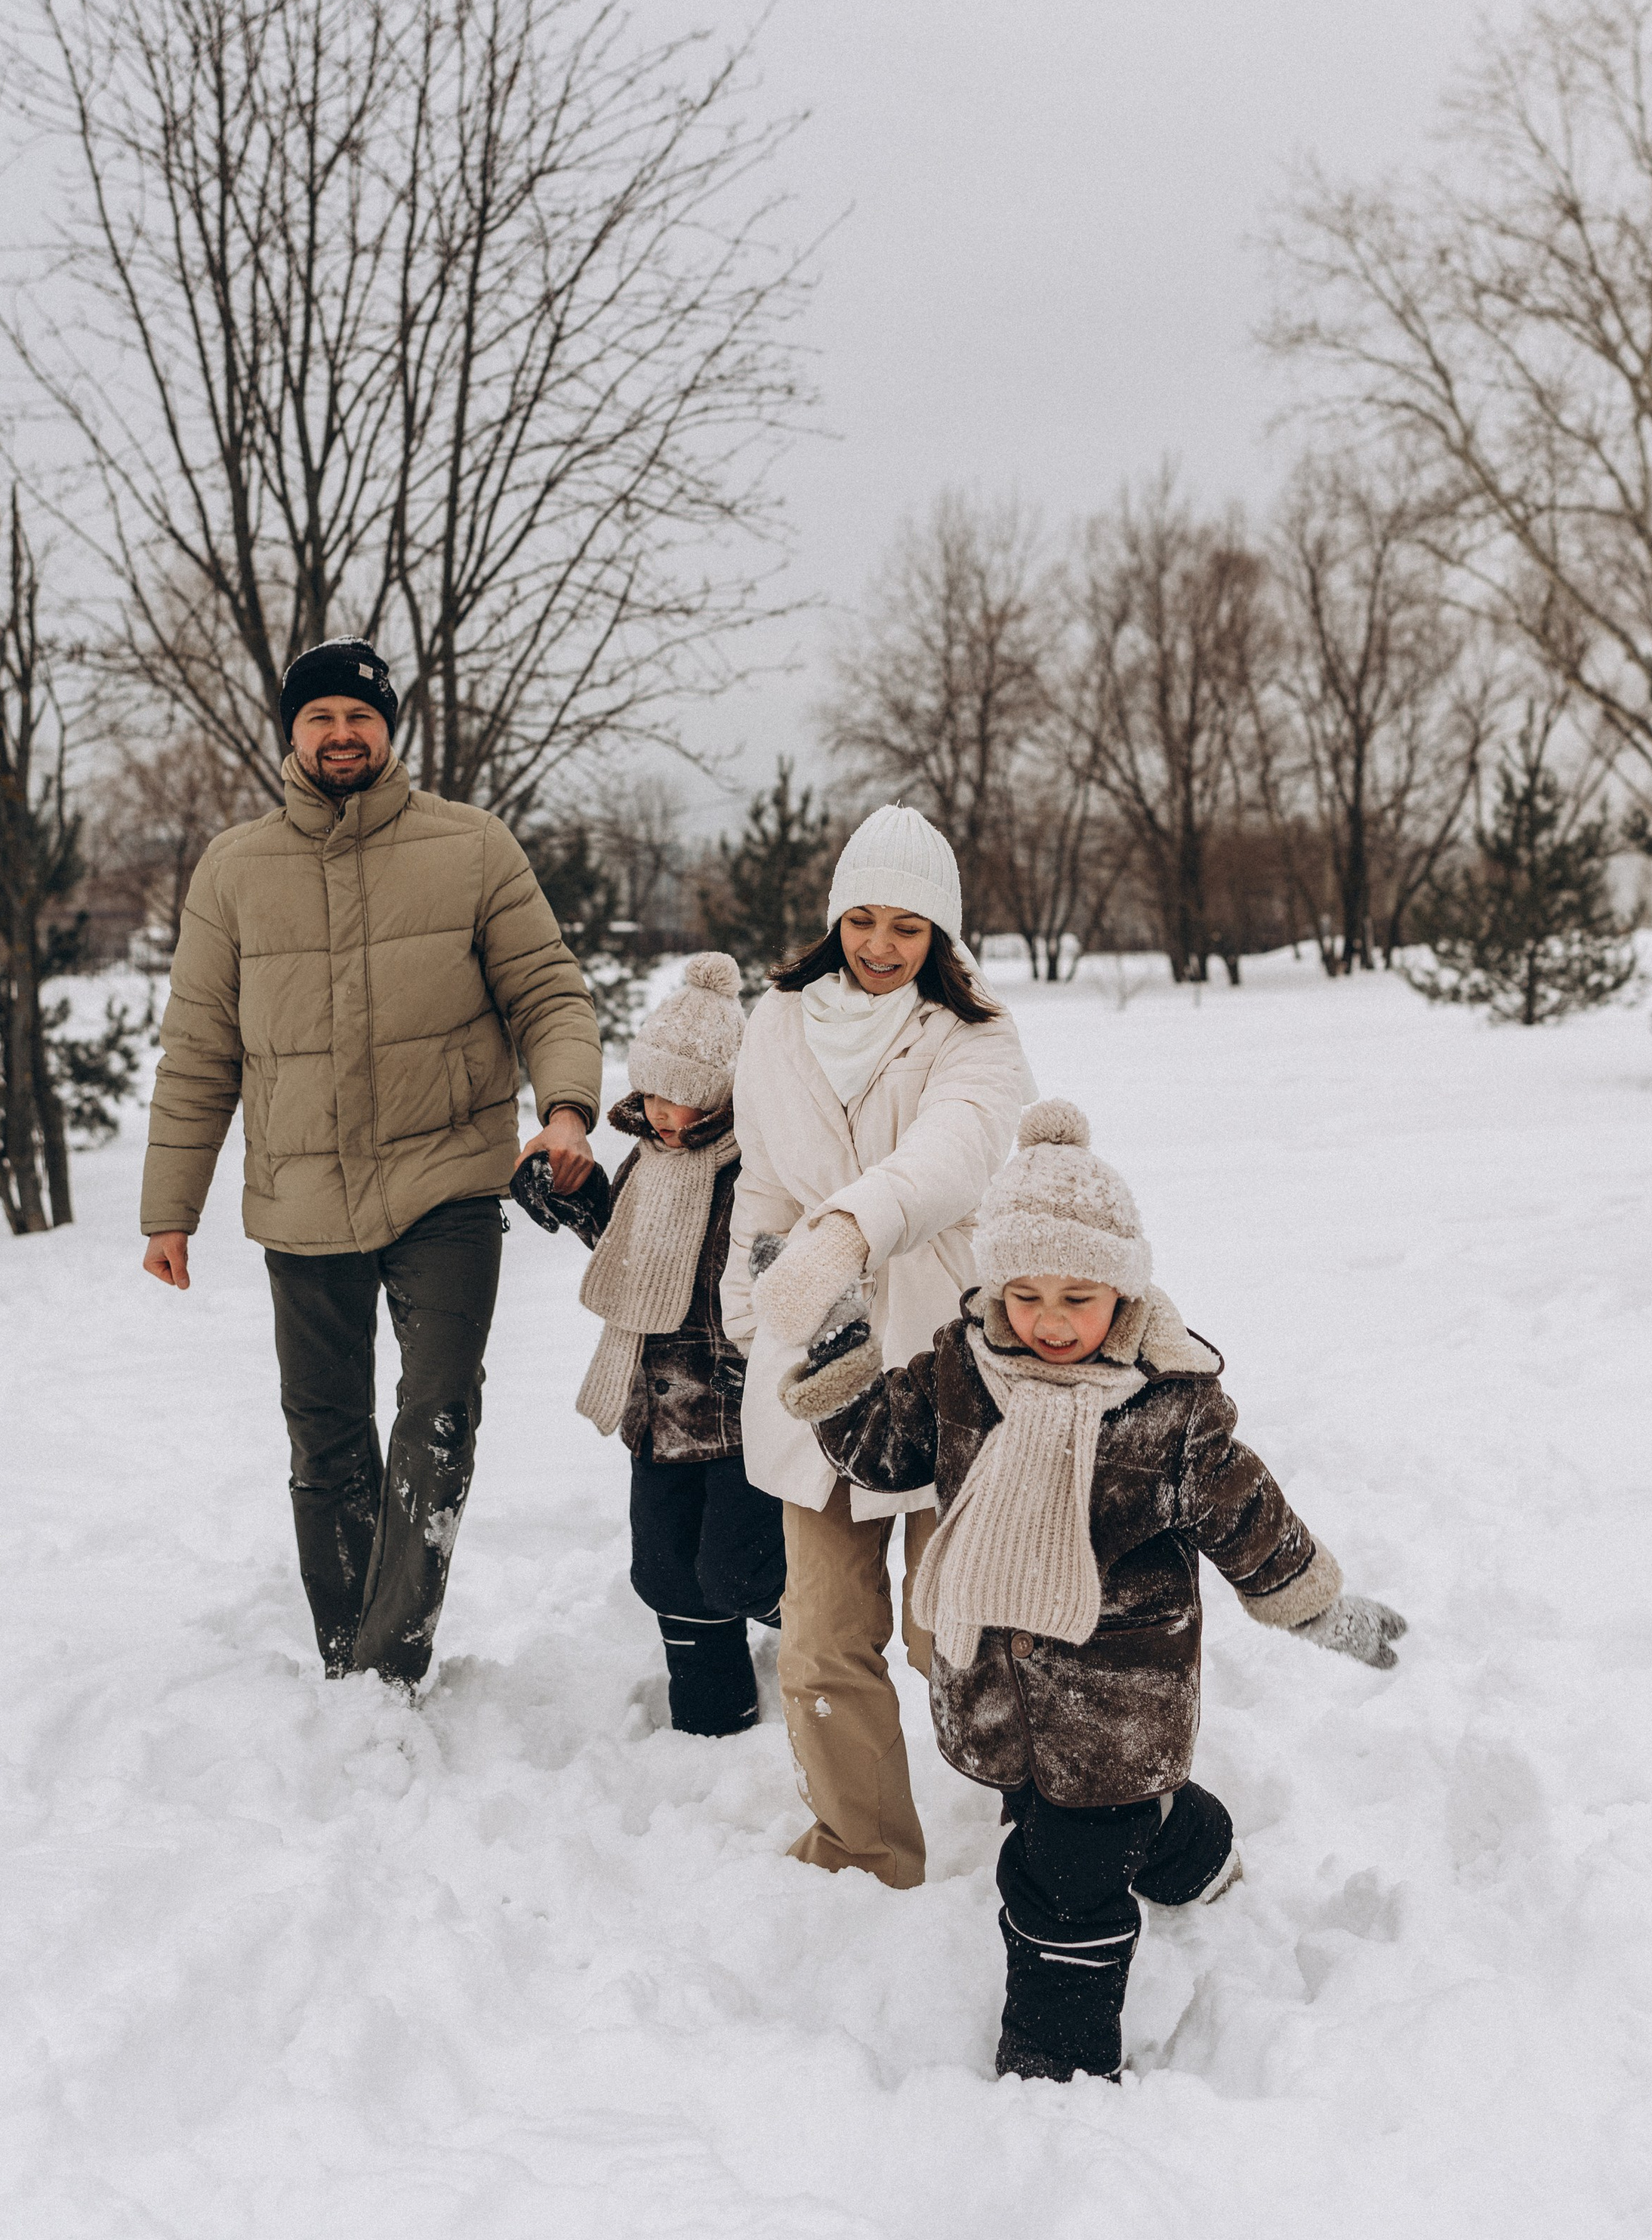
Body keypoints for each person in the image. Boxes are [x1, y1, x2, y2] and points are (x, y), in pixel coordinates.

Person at [775, 1096, 1407, 2083]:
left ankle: (1057, 2068)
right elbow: (882, 1452)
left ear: (1124, 1287)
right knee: (1088, 1816)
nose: (1051, 1320)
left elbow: (1248, 1518)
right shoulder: (961, 1371)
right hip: (998, 1688)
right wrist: (835, 1352)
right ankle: (1193, 1846)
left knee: (1059, 1884)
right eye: (1026, 1293)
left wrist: (1316, 1606)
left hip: (1119, 1702)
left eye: (1080, 1295)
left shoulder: (1169, 1410)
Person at [140, 639, 603, 1692]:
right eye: (321, 717)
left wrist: (566, 1110)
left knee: (438, 1414)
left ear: (389, 730)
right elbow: (199, 1050)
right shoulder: (233, 869)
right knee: (326, 1440)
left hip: (447, 1180)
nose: (341, 733)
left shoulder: (471, 846)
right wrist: (171, 1210)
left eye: (361, 715)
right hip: (301, 1196)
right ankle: (345, 1659)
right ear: (292, 733)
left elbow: (548, 991)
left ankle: (389, 1667)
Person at [723, 803, 1034, 1889]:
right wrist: (751, 1301)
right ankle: (864, 1851)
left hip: (947, 1351)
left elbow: (955, 1154)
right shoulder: (777, 1022)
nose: (880, 945)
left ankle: (1057, 1811)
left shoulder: (976, 1034)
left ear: (940, 931)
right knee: (820, 1638)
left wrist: (851, 1228)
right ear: (834, 917)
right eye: (862, 919)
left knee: (956, 1628)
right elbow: (764, 1181)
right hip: (817, 1348)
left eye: (907, 926)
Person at [571, 951, 784, 1736]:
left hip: (734, 1418)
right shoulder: (646, 1160)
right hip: (656, 1418)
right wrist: (580, 1204)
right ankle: (712, 1724)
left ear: (726, 1094)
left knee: (738, 1572)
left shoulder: (755, 1171)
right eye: (653, 1093)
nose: (664, 1113)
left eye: (685, 1097)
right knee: (666, 1575)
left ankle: (822, 1629)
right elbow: (635, 1260)